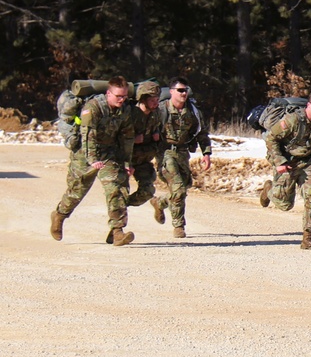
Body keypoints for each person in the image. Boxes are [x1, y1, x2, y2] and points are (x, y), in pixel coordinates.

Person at [50, 76, 137, 246]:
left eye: (124, 96)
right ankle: (59, 215)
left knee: (116, 188)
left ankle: (117, 231)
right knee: (77, 190)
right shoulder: (93, 107)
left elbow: (127, 137)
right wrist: (92, 160)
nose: (121, 100)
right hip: (84, 152)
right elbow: (87, 136)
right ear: (108, 93)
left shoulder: (124, 110)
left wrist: (127, 162)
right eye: (118, 96)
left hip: (108, 153)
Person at [259, 90, 311, 250]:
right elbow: (271, 138)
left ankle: (307, 239)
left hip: (307, 164)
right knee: (284, 204)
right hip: (287, 162)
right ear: (309, 105)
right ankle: (269, 190)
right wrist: (279, 161)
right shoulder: (293, 120)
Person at [150, 77, 211, 239]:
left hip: (183, 152)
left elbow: (201, 133)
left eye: (186, 90)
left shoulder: (193, 111)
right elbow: (146, 129)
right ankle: (178, 225)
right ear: (171, 92)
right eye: (180, 90)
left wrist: (206, 153)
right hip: (165, 153)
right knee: (178, 188)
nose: (184, 93)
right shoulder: (161, 109)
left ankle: (160, 202)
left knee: (183, 188)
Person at [125, 81, 163, 220]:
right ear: (142, 98)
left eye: (157, 100)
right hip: (125, 160)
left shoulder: (156, 113)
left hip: (143, 160)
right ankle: (117, 227)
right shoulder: (129, 113)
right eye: (152, 100)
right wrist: (133, 139)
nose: (155, 103)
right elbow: (116, 138)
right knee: (119, 191)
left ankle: (120, 205)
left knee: (147, 191)